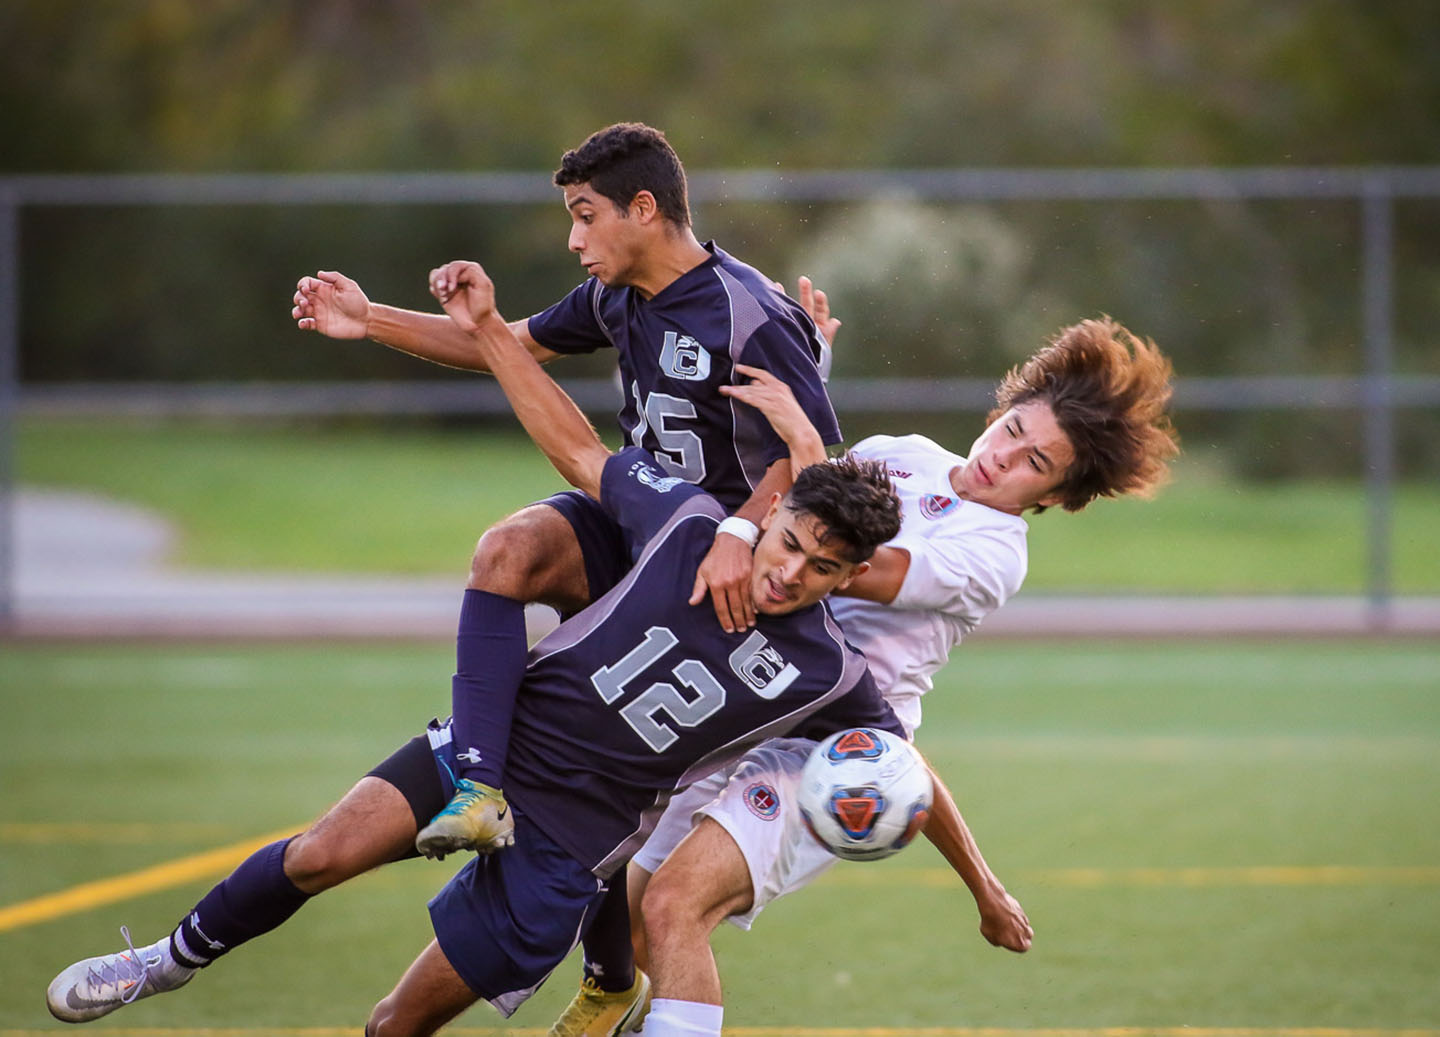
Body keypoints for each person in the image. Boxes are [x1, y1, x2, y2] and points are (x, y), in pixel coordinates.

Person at [46, 259, 902, 1037]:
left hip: (572, 844)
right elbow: (574, 445)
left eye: (823, 568)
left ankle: (606, 975)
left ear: (853, 574)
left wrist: (891, 813)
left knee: (394, 1024)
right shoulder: (689, 526)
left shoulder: (830, 670)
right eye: (789, 542)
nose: (790, 572)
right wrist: (491, 328)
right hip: (498, 745)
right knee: (317, 852)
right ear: (774, 512)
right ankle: (159, 962)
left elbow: (896, 761)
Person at [559, 314, 1180, 1035]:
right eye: (1013, 430)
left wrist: (804, 436)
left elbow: (847, 568)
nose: (1003, 458)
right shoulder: (902, 454)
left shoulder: (997, 550)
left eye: (1036, 464)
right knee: (631, 930)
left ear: (1051, 499)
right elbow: (801, 507)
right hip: (745, 704)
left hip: (832, 753)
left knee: (675, 904)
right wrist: (800, 368)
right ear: (999, 412)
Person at [290, 122, 841, 884]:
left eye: (585, 214)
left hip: (703, 565)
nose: (575, 238)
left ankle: (607, 965)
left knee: (621, 799)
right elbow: (503, 343)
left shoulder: (749, 312)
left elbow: (810, 458)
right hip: (629, 519)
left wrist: (743, 531)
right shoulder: (615, 296)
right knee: (508, 548)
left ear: (642, 208)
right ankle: (478, 785)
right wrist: (370, 318)